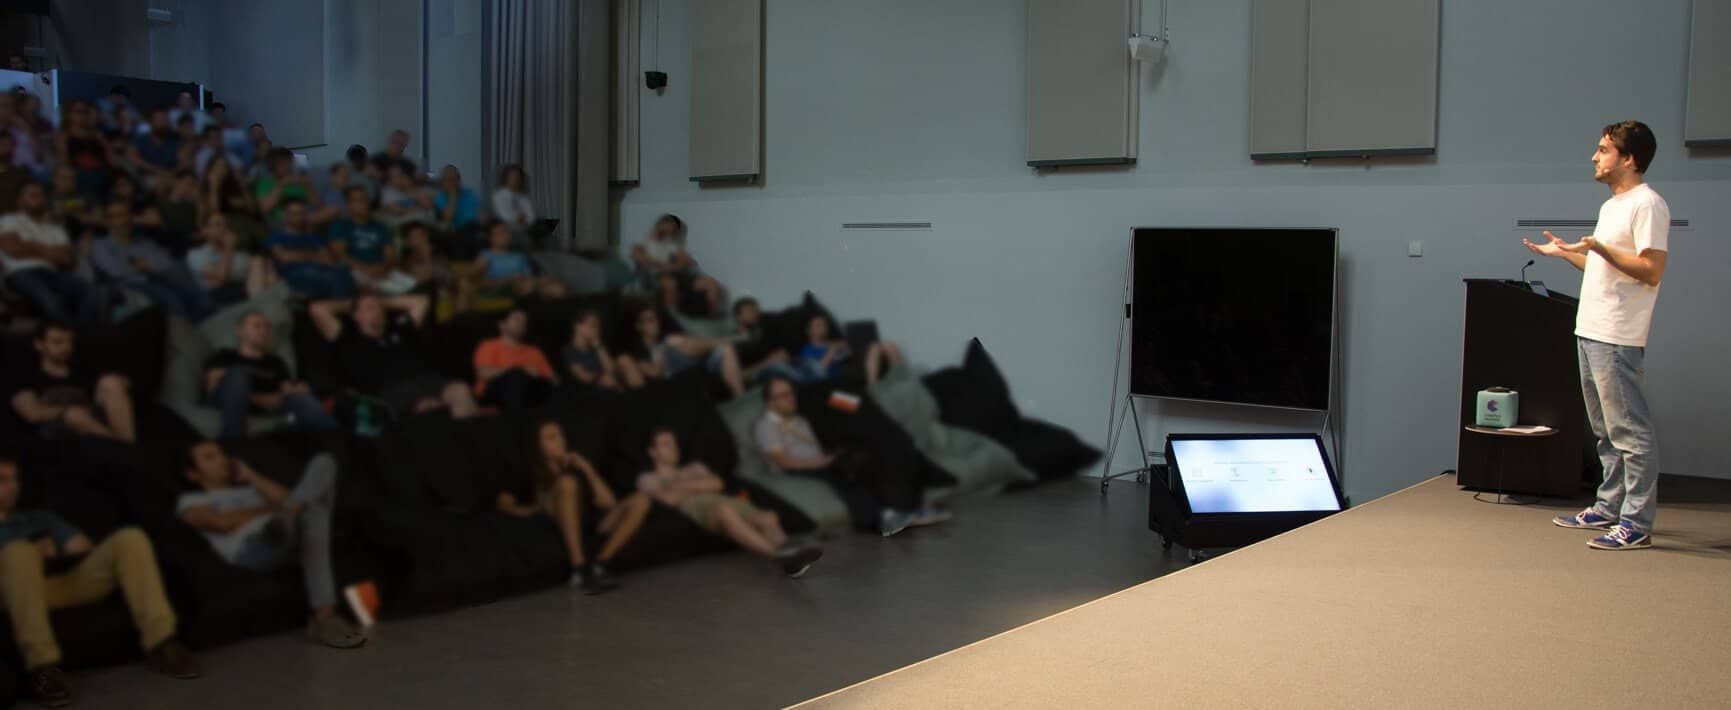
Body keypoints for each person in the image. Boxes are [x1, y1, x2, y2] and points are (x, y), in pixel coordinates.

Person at [1529, 121, 1671, 551]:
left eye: (1604, 149)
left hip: (1617, 335)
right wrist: (1570, 254)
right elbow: (1604, 268)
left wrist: (1601, 249)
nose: (1595, 156)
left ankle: (1636, 522)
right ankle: (1609, 506)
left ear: (1628, 158)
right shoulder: (1612, 206)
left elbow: (1651, 270)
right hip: (1590, 329)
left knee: (1631, 432)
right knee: (1604, 430)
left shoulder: (1647, 205)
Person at [0, 458, 199, 706]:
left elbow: (83, 549)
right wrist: (26, 552)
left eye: (14, 479)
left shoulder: (38, 518)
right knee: (18, 552)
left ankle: (162, 642)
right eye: (3, 480)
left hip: (62, 582)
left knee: (130, 538)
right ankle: (43, 668)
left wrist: (55, 553)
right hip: (13, 594)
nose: (12, 486)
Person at [178, 442, 366, 649]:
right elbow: (223, 523)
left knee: (325, 462)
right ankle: (326, 617)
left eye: (221, 454)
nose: (222, 460)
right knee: (311, 510)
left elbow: (289, 499)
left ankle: (324, 618)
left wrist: (252, 476)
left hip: (291, 531)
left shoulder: (252, 490)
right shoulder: (191, 500)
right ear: (192, 474)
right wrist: (275, 510)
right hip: (253, 545)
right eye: (209, 457)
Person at [755, 376, 950, 537]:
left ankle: (905, 506)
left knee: (872, 454)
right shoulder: (766, 425)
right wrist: (818, 461)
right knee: (847, 475)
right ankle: (881, 519)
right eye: (783, 395)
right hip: (799, 466)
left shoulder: (799, 415)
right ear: (770, 402)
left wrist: (834, 451)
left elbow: (839, 414)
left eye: (791, 393)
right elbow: (782, 460)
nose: (791, 398)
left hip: (822, 457)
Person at [636, 428, 822, 577]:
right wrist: (698, 485)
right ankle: (776, 554)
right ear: (652, 451)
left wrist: (678, 485)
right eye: (666, 444)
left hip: (725, 500)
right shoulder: (648, 479)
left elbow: (716, 484)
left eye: (674, 443)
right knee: (723, 510)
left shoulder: (694, 467)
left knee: (768, 517)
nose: (674, 447)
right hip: (701, 507)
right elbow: (668, 499)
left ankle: (793, 563)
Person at [498, 421, 651, 593]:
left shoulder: (576, 466)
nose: (560, 441)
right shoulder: (529, 471)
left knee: (642, 499)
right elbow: (504, 503)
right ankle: (578, 568)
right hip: (555, 517)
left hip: (591, 519)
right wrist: (528, 510)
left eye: (561, 436)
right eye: (551, 438)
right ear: (537, 445)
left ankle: (600, 564)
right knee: (567, 483)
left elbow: (609, 503)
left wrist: (587, 468)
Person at [308, 294, 478, 418]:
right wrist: (354, 302)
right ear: (356, 316)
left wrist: (381, 301)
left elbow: (422, 301)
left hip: (425, 379)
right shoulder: (347, 337)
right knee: (427, 406)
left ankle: (471, 446)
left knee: (461, 391)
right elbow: (317, 308)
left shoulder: (398, 328)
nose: (378, 310)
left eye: (380, 307)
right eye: (370, 308)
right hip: (388, 390)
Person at [203, 311, 340, 438]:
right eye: (257, 326)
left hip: (272, 406)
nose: (263, 330)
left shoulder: (275, 362)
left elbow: (285, 389)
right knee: (238, 375)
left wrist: (298, 390)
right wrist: (257, 398)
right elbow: (213, 388)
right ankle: (234, 443)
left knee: (301, 397)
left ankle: (337, 440)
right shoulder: (225, 355)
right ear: (240, 331)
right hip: (234, 402)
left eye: (267, 327)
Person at [7, 321, 136, 443]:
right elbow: (32, 413)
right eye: (58, 342)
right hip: (56, 430)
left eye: (69, 342)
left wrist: (117, 384)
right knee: (73, 415)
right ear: (39, 344)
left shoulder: (82, 371)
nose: (66, 347)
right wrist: (70, 411)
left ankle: (126, 443)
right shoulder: (26, 375)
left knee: (111, 382)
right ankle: (122, 448)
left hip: (93, 422)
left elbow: (115, 390)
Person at [87, 201, 213, 321]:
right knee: (167, 296)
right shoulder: (100, 245)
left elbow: (166, 263)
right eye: (118, 216)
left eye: (127, 215)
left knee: (193, 291)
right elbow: (116, 271)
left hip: (158, 280)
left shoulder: (144, 243)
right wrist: (145, 267)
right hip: (127, 286)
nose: (124, 220)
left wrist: (149, 265)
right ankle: (187, 331)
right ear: (108, 221)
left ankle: (205, 325)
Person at [2, 181, 102, 323]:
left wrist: (30, 246)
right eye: (32, 195)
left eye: (40, 194)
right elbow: (13, 249)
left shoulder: (55, 227)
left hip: (54, 272)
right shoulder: (9, 220)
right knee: (52, 302)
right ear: (19, 201)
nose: (38, 197)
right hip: (21, 272)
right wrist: (51, 252)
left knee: (92, 292)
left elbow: (68, 260)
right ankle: (70, 338)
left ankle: (83, 335)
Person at [615, 304, 746, 398]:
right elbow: (655, 373)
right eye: (649, 320)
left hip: (691, 362)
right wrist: (663, 351)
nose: (655, 323)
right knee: (677, 344)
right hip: (674, 375)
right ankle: (732, 339)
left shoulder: (664, 337)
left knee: (726, 349)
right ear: (639, 326)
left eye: (655, 319)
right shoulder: (637, 350)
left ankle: (741, 398)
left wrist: (672, 343)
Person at [630, 213, 726, 316]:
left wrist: (674, 266)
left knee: (711, 284)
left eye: (674, 230)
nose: (672, 232)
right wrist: (662, 265)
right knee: (671, 284)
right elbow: (639, 257)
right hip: (654, 276)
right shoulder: (643, 241)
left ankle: (709, 319)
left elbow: (687, 261)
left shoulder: (670, 245)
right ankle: (672, 318)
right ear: (661, 224)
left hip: (677, 274)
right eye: (671, 227)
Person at [328, 186, 415, 294]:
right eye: (358, 200)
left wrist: (383, 267)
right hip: (354, 271)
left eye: (365, 199)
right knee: (397, 291)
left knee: (415, 287)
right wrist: (366, 269)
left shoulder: (380, 227)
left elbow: (390, 255)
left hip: (382, 269)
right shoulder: (340, 226)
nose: (364, 203)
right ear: (349, 205)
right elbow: (340, 255)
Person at [267, 199, 355, 300]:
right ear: (286, 216)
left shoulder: (313, 237)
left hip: (323, 273)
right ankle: (342, 307)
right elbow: (283, 257)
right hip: (296, 276)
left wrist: (298, 256)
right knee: (337, 277)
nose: (299, 217)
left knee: (342, 270)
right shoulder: (276, 237)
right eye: (294, 213)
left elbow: (328, 259)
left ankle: (340, 306)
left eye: (302, 213)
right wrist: (314, 256)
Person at [472, 307, 556, 410]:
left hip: (531, 391)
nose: (521, 323)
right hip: (493, 392)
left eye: (524, 322)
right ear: (502, 325)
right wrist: (520, 370)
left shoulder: (534, 351)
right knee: (516, 376)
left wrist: (537, 375)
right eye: (517, 319)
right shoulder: (489, 346)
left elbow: (552, 379)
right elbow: (484, 373)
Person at [186, 212, 274, 307]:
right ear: (205, 230)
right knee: (258, 264)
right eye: (218, 225)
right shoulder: (196, 254)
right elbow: (220, 276)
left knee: (262, 263)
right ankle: (261, 307)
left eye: (225, 225)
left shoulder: (237, 254)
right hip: (218, 294)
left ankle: (263, 307)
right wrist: (229, 248)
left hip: (244, 286)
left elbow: (257, 270)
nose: (223, 229)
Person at [464, 219, 564, 301]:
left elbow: (528, 277)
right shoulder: (487, 255)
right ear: (491, 238)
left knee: (557, 288)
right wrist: (508, 279)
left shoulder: (519, 256)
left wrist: (544, 280)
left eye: (505, 231)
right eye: (499, 233)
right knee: (526, 286)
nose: (504, 236)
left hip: (523, 284)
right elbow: (472, 275)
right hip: (500, 287)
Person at [793, 315, 904, 387]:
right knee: (874, 348)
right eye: (818, 325)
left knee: (887, 345)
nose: (823, 327)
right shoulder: (807, 350)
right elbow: (817, 371)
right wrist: (832, 351)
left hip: (853, 362)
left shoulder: (834, 343)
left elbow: (850, 352)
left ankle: (902, 381)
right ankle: (873, 389)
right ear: (809, 331)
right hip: (836, 378)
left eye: (824, 325)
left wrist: (846, 346)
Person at [54, 100, 112, 197]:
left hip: (101, 170)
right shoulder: (64, 135)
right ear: (69, 115)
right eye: (78, 112)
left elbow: (110, 155)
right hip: (79, 173)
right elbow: (63, 159)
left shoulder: (97, 135)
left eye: (85, 112)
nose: (82, 116)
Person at [562, 309, 623, 390]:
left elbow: (612, 369)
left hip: (608, 384)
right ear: (577, 326)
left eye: (598, 326)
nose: (597, 329)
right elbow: (583, 376)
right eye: (592, 325)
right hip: (586, 389)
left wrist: (598, 347)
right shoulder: (569, 350)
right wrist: (600, 377)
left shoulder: (597, 347)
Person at [254, 147, 316, 223]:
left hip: (305, 218)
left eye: (288, 162)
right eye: (281, 163)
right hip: (281, 221)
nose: (286, 167)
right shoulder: (265, 183)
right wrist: (281, 185)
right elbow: (264, 209)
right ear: (272, 166)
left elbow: (317, 205)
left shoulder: (300, 180)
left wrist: (307, 185)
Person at [378, 162, 432, 227]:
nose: (399, 179)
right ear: (390, 179)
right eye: (395, 177)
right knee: (421, 216)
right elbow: (397, 211)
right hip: (397, 222)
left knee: (427, 215)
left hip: (416, 220)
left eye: (401, 175)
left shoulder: (413, 189)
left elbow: (427, 205)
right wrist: (417, 210)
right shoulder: (387, 192)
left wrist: (410, 190)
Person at [432, 165, 480, 232]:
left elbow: (480, 214)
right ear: (442, 182)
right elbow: (448, 218)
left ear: (459, 180)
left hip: (472, 229)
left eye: (453, 179)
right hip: (453, 233)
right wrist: (453, 195)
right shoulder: (439, 197)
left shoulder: (470, 194)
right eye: (447, 180)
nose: (451, 183)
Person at [491, 163, 534, 230]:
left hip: (524, 230)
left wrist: (521, 219)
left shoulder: (523, 197)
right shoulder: (499, 196)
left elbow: (531, 217)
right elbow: (504, 217)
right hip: (505, 232)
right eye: (512, 176)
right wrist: (519, 218)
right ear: (506, 178)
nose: (515, 179)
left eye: (517, 176)